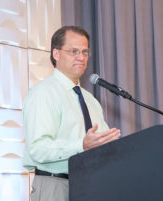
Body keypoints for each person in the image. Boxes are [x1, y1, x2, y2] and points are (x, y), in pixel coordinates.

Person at [23, 26, 121, 201]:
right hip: (55, 185)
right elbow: (37, 149)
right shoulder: (44, 93)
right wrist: (81, 145)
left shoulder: (90, 100)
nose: (81, 57)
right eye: (73, 51)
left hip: (90, 185)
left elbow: (101, 143)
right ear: (56, 54)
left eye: (85, 52)